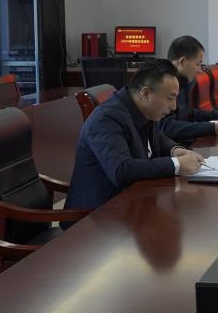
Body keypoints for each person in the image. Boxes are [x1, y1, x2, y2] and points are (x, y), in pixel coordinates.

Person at [64, 59, 204, 213]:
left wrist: (175, 150)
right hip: (97, 216)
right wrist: (176, 164)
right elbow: (121, 170)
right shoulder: (106, 119)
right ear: (145, 93)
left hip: (133, 204)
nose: (174, 106)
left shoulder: (143, 108)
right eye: (170, 98)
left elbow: (157, 137)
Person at [161, 35, 218, 143]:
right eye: (197, 64)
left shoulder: (184, 82)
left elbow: (189, 114)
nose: (199, 70)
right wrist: (212, 128)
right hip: (174, 148)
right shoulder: (163, 85)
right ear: (182, 62)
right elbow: (168, 127)